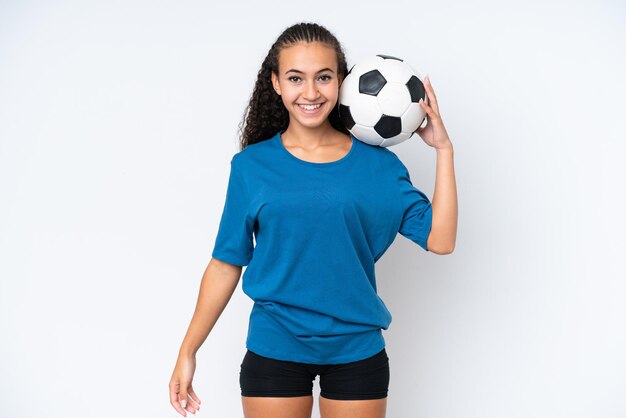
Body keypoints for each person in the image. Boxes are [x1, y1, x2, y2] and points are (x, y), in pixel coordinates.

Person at [169, 22, 458, 418]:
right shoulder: (251, 167)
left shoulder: (379, 167)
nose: (310, 92)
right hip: (275, 345)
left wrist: (444, 149)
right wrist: (188, 351)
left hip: (357, 348)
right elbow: (225, 263)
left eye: (323, 77)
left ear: (342, 81)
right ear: (275, 83)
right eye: (295, 78)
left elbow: (440, 240)